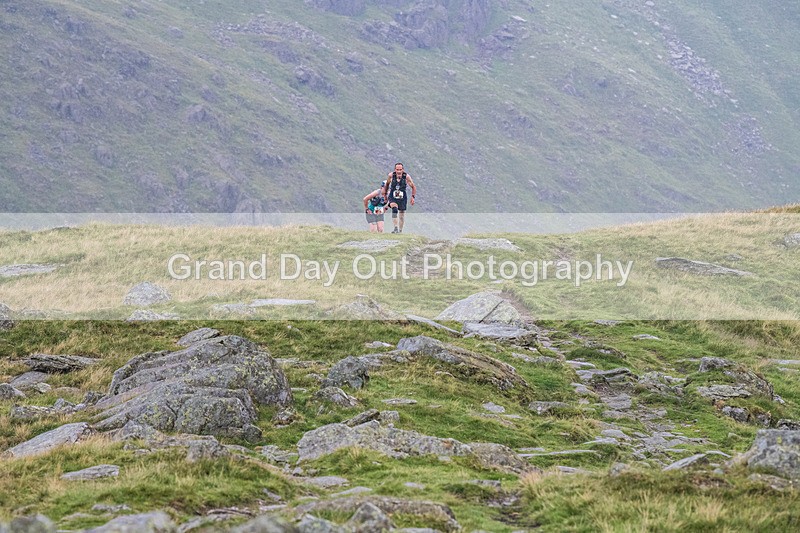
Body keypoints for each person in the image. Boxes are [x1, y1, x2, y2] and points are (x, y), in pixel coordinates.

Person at [381, 162, 417, 233]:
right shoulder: (391, 175)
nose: (399, 171)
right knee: (394, 209)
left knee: (401, 216)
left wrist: (413, 197)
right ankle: (395, 228)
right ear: (395, 169)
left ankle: (400, 231)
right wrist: (385, 194)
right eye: (397, 169)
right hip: (393, 195)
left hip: (402, 197)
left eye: (400, 169)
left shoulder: (406, 177)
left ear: (403, 169)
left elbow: (413, 187)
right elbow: (387, 184)